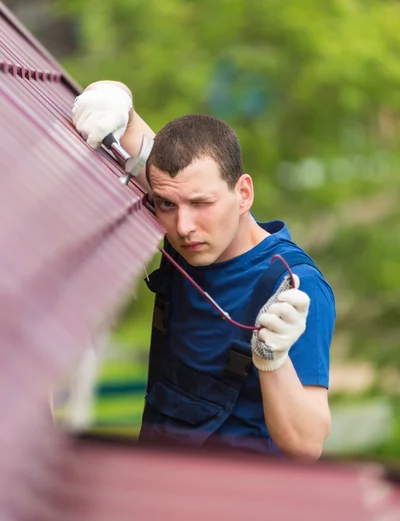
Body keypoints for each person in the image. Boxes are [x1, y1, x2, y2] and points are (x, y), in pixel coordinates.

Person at [72, 80, 335, 459]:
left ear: (243, 194)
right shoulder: (185, 215)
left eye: (201, 204)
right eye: (166, 205)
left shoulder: (292, 287)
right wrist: (116, 97)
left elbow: (306, 445)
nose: (184, 226)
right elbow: (129, 128)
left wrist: (271, 359)